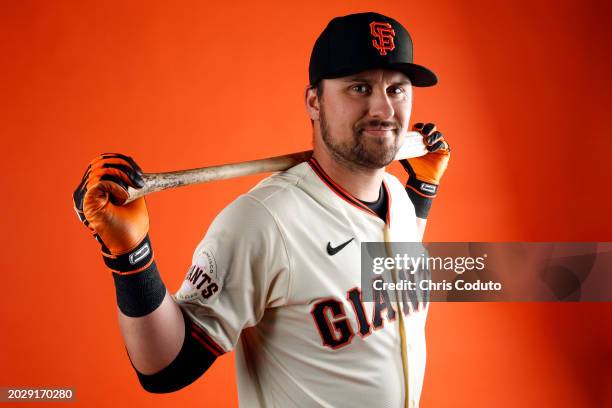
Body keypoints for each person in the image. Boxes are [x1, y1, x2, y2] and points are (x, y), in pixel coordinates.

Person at [73, 11, 450, 408]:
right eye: (359, 88)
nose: (384, 110)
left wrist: (421, 192)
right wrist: (132, 259)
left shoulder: (397, 198)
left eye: (397, 89)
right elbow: (166, 368)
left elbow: (376, 262)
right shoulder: (264, 221)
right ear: (314, 102)